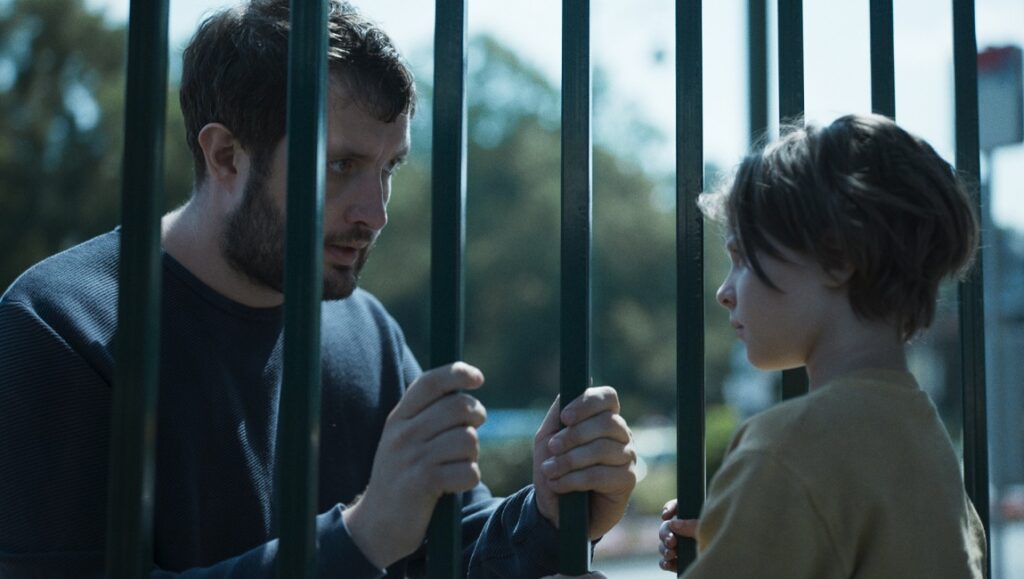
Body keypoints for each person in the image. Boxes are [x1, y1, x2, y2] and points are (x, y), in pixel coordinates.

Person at [0, 1, 637, 577]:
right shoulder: (60, 326)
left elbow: (449, 550)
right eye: (342, 166)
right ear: (225, 156)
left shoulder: (366, 331)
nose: (376, 212)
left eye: (389, 168)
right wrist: (357, 538)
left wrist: (551, 513)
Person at [658, 114, 987, 578]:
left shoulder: (783, 450)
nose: (724, 291)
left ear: (838, 259)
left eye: (742, 257)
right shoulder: (929, 445)